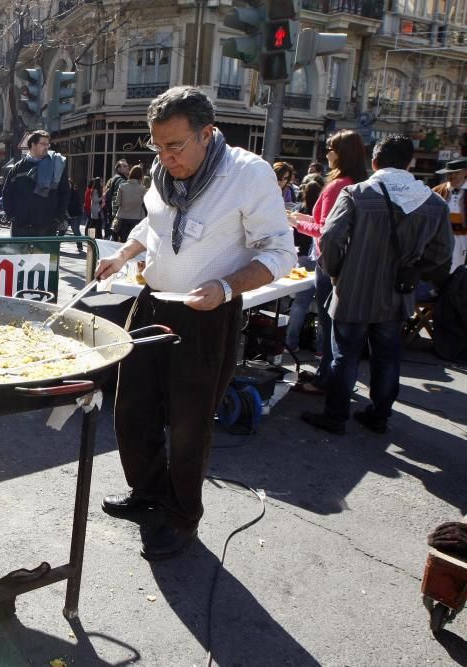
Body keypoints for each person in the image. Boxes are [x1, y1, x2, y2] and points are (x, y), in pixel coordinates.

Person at [95, 86, 294, 561]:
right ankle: (147, 491)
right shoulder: (163, 174)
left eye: (175, 146)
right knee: (132, 410)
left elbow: (280, 252)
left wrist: (225, 288)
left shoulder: (248, 174)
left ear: (207, 133)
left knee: (188, 424)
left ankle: (183, 516)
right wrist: (123, 254)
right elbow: (153, 225)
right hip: (152, 304)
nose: (165, 157)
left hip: (206, 315)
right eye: (157, 147)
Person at [300, 136, 453, 435]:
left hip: (353, 291)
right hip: (398, 294)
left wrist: (336, 273)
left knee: (345, 355)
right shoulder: (433, 203)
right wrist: (414, 269)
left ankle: (335, 416)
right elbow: (442, 252)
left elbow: (330, 240)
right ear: (410, 163)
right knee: (387, 356)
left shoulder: (356, 194)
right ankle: (380, 415)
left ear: (374, 162)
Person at [289, 130, 368, 396]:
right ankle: (329, 377)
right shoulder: (359, 183)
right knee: (337, 328)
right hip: (349, 263)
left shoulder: (338, 185)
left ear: (341, 153)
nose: (327, 153)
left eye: (330, 148)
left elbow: (325, 229)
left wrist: (296, 221)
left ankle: (326, 381)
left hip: (329, 263)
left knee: (330, 324)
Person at [2, 130, 70, 237]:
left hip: (46, 227)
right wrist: (12, 217)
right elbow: (7, 194)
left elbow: (65, 193)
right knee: (21, 254)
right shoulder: (17, 168)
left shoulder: (56, 166)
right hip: (21, 227)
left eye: (48, 144)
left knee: (45, 254)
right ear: (33, 145)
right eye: (43, 144)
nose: (46, 147)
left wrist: (57, 218)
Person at [284, 179, 323, 353]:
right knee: (323, 307)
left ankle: (291, 343)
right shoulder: (322, 212)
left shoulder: (297, 210)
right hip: (321, 258)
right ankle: (321, 348)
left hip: (302, 259)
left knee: (299, 304)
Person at [433, 157, 467, 271]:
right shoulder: (437, 191)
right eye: (449, 174)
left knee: (458, 271)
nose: (452, 176)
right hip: (440, 239)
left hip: (462, 240)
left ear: (465, 172)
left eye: (456, 173)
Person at [112, 164, 147, 242]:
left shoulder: (122, 186)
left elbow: (117, 202)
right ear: (141, 176)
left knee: (122, 242)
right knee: (133, 242)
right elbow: (145, 204)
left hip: (122, 218)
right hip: (137, 218)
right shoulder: (143, 189)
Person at [102, 159, 130, 240]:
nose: (127, 167)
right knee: (120, 238)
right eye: (124, 166)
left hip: (116, 214)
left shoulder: (117, 178)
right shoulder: (120, 180)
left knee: (115, 236)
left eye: (127, 166)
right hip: (119, 215)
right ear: (119, 169)